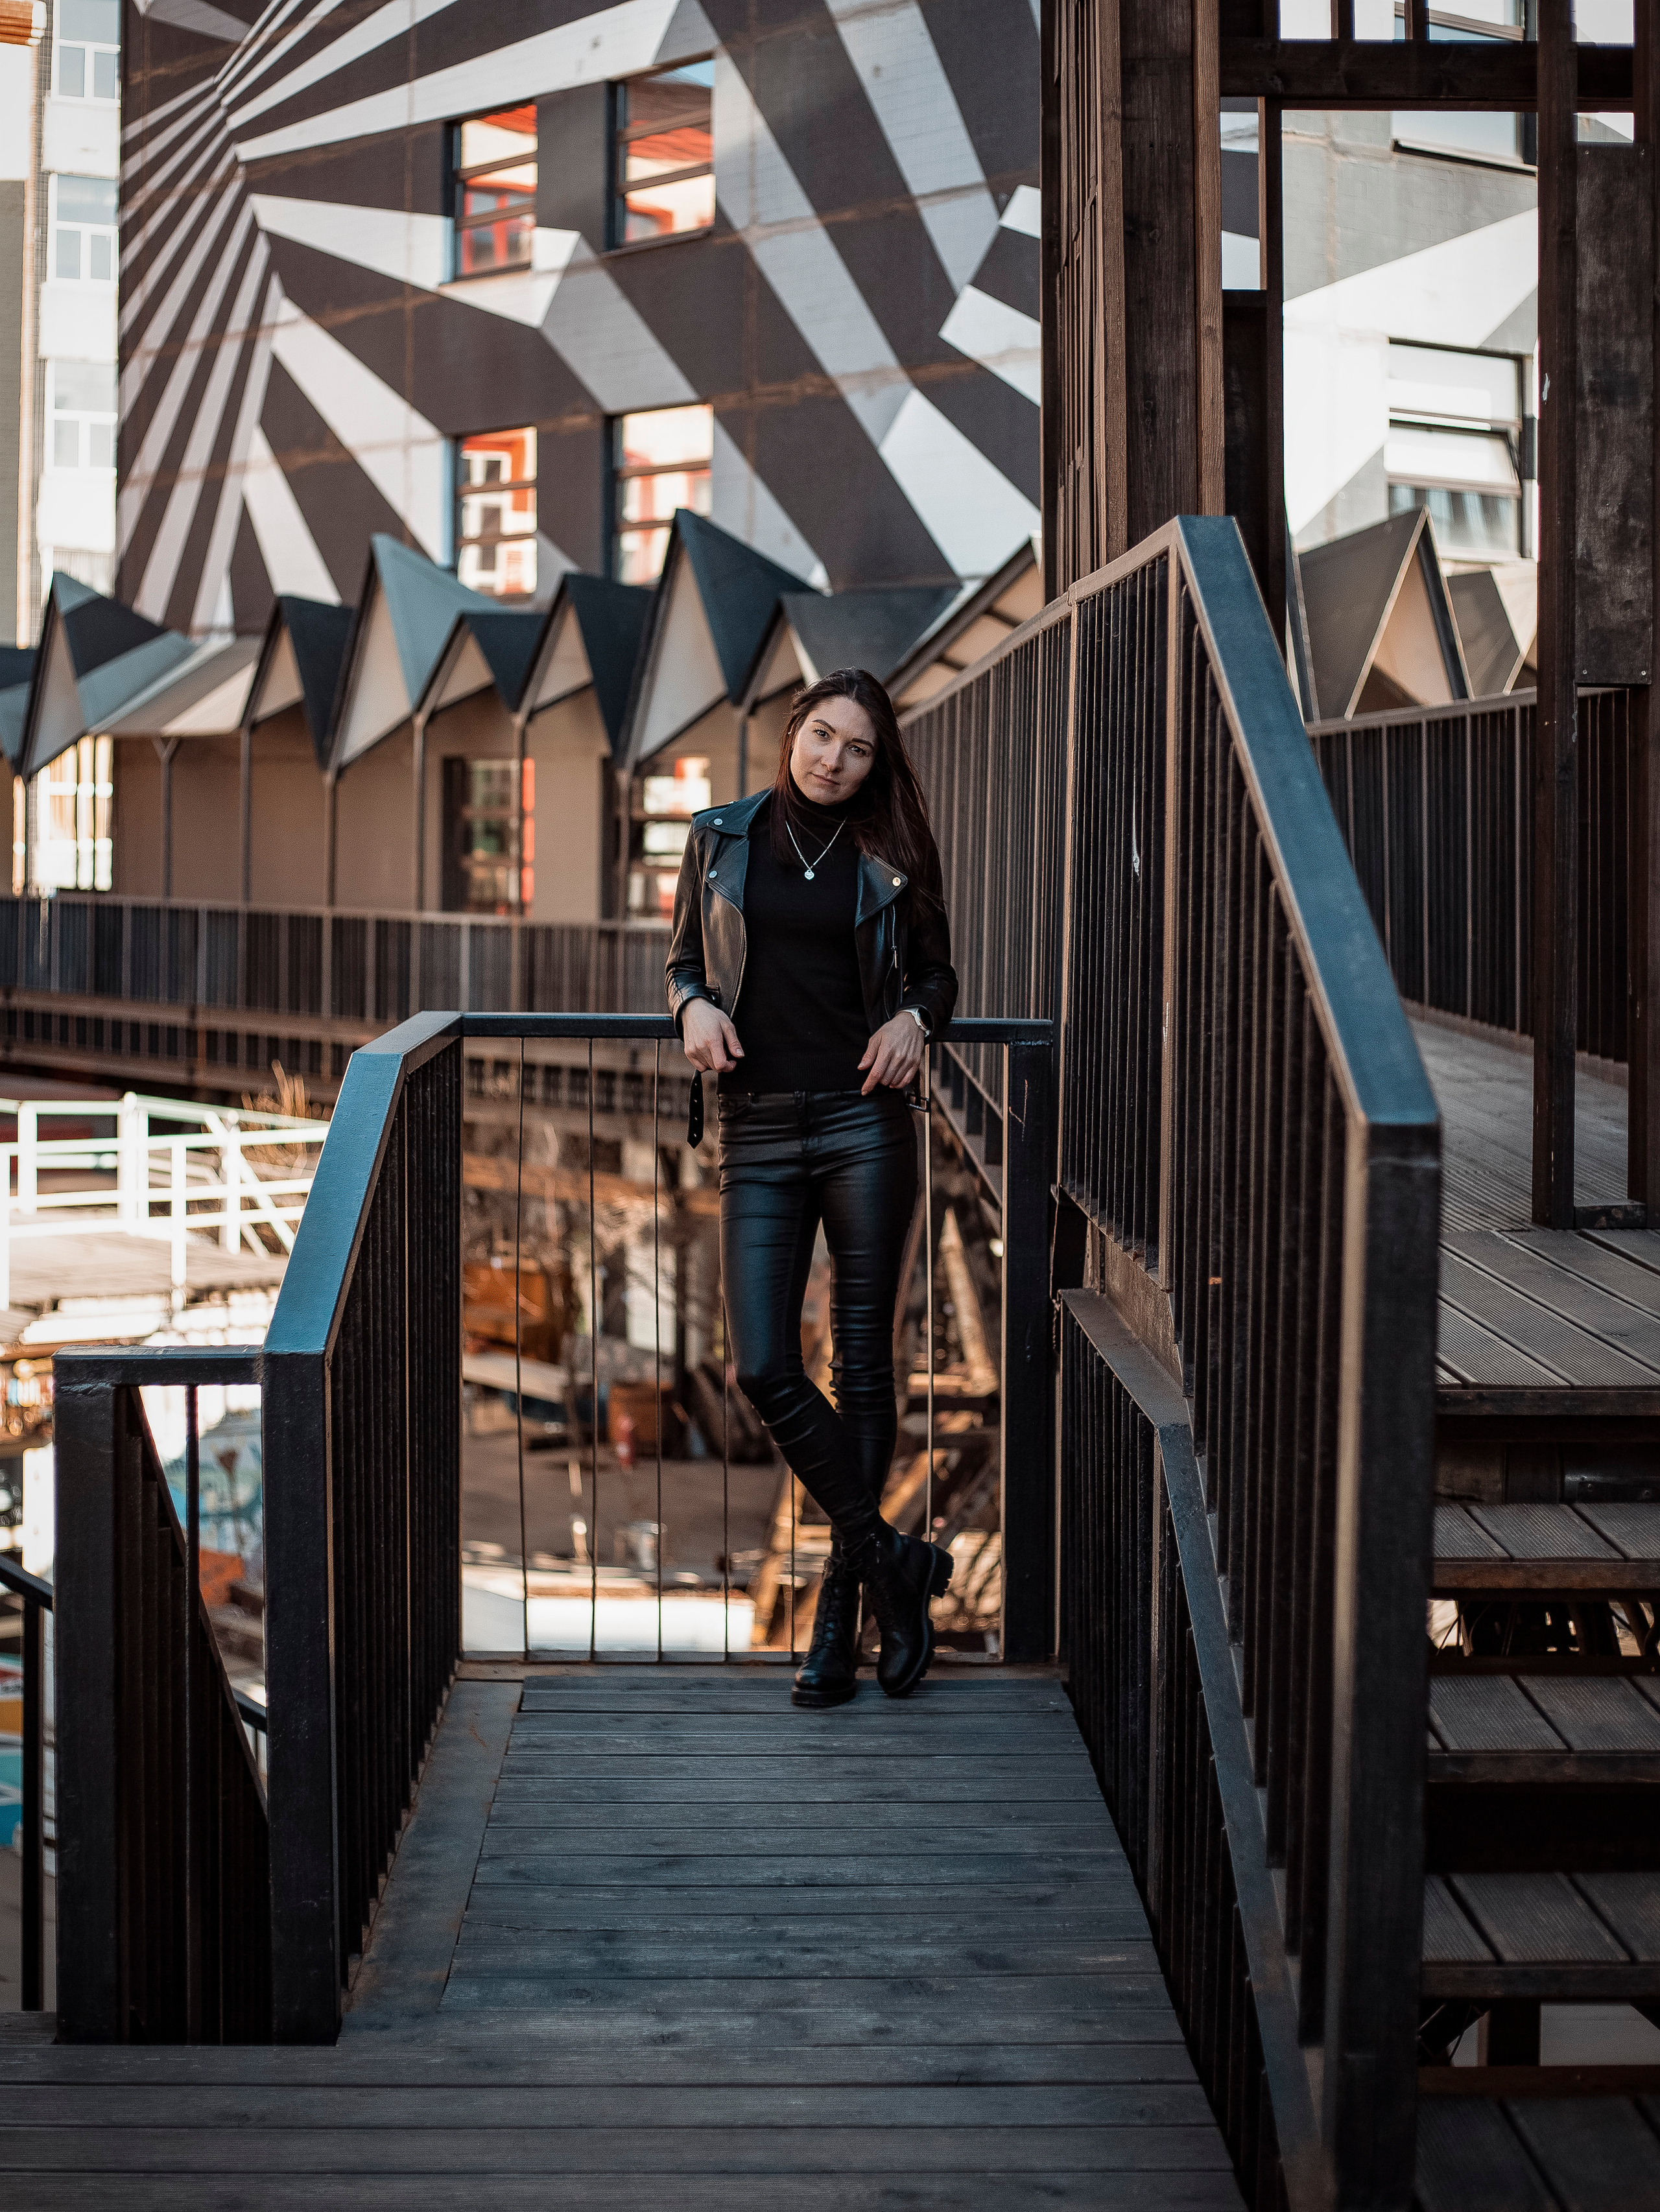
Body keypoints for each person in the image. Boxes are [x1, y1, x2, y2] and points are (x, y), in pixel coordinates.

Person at [667, 668, 958, 1707]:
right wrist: (691, 1003)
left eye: (858, 748)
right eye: (821, 736)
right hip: (757, 1128)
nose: (833, 759)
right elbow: (683, 960)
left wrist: (915, 1021)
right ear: (793, 732)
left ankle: (840, 1609)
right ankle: (895, 1563)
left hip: (863, 1123)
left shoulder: (892, 854)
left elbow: (936, 975)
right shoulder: (721, 836)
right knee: (762, 1366)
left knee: (863, 1367)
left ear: (877, 764)